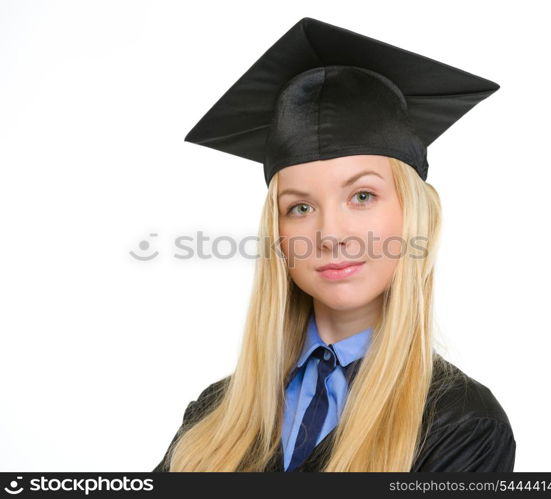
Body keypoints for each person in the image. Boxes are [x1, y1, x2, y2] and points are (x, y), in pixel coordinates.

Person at [152, 17, 516, 472]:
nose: (330, 235)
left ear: (415, 216)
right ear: (278, 237)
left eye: (362, 197)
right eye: (299, 208)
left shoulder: (462, 425)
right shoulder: (213, 418)